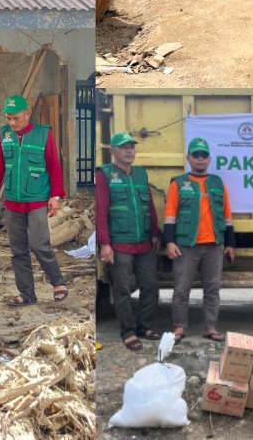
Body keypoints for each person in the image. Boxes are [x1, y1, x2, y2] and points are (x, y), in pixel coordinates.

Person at [0, 95, 69, 306]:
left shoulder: (43, 134)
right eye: (8, 118)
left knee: (39, 244)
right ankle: (27, 294)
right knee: (18, 249)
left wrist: (55, 196)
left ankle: (58, 282)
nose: (12, 123)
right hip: (13, 201)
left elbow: (54, 165)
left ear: (27, 114)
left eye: (16, 118)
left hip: (37, 199)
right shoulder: (4, 135)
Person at [163, 137, 235, 343]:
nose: (200, 159)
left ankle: (210, 328)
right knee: (181, 289)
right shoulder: (178, 183)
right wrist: (169, 241)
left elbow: (227, 215)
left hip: (214, 246)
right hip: (186, 245)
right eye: (196, 155)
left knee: (212, 289)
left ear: (209, 159)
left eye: (204, 155)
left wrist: (230, 244)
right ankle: (179, 327)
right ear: (189, 158)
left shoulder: (217, 183)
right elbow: (170, 215)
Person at [95, 132, 161, 351]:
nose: (129, 151)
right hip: (119, 244)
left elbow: (149, 206)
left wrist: (154, 233)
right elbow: (101, 211)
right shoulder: (105, 175)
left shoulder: (141, 174)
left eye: (132, 147)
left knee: (150, 286)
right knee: (122, 289)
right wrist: (104, 243)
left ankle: (144, 326)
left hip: (144, 243)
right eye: (124, 147)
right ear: (113, 151)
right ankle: (128, 331)